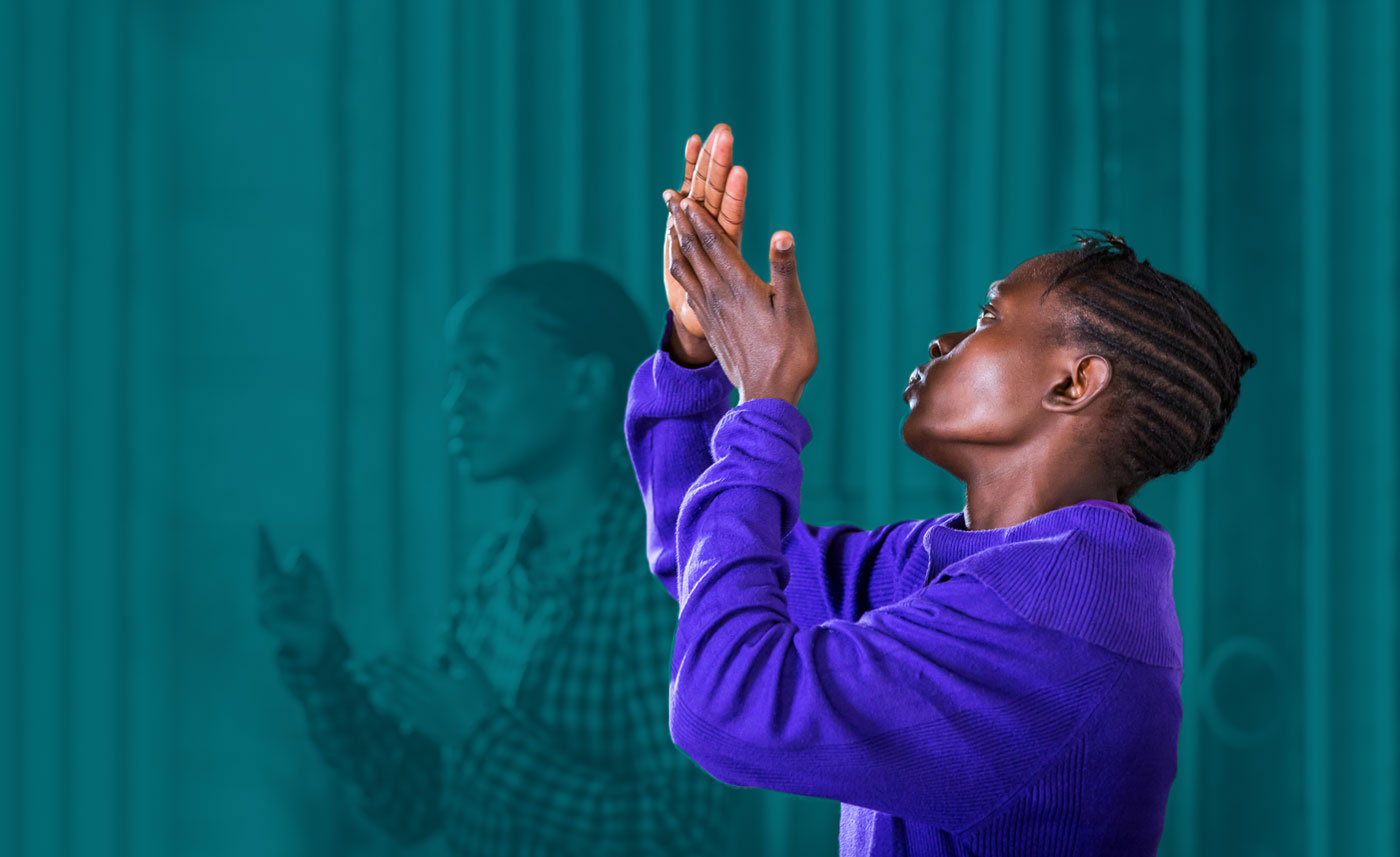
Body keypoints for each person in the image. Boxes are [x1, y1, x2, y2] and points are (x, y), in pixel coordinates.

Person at [626, 122, 1258, 855]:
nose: (944, 341)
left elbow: (725, 705)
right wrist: (696, 351)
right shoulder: (979, 565)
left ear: (1074, 383)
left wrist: (766, 399)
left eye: (990, 317)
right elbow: (715, 563)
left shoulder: (1048, 628)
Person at [257, 260, 736, 855]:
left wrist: (482, 734)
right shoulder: (494, 571)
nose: (455, 402)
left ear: (584, 384)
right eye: (455, 375)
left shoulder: (658, 579)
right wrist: (319, 657)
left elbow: (681, 835)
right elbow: (418, 804)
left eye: (483, 368)